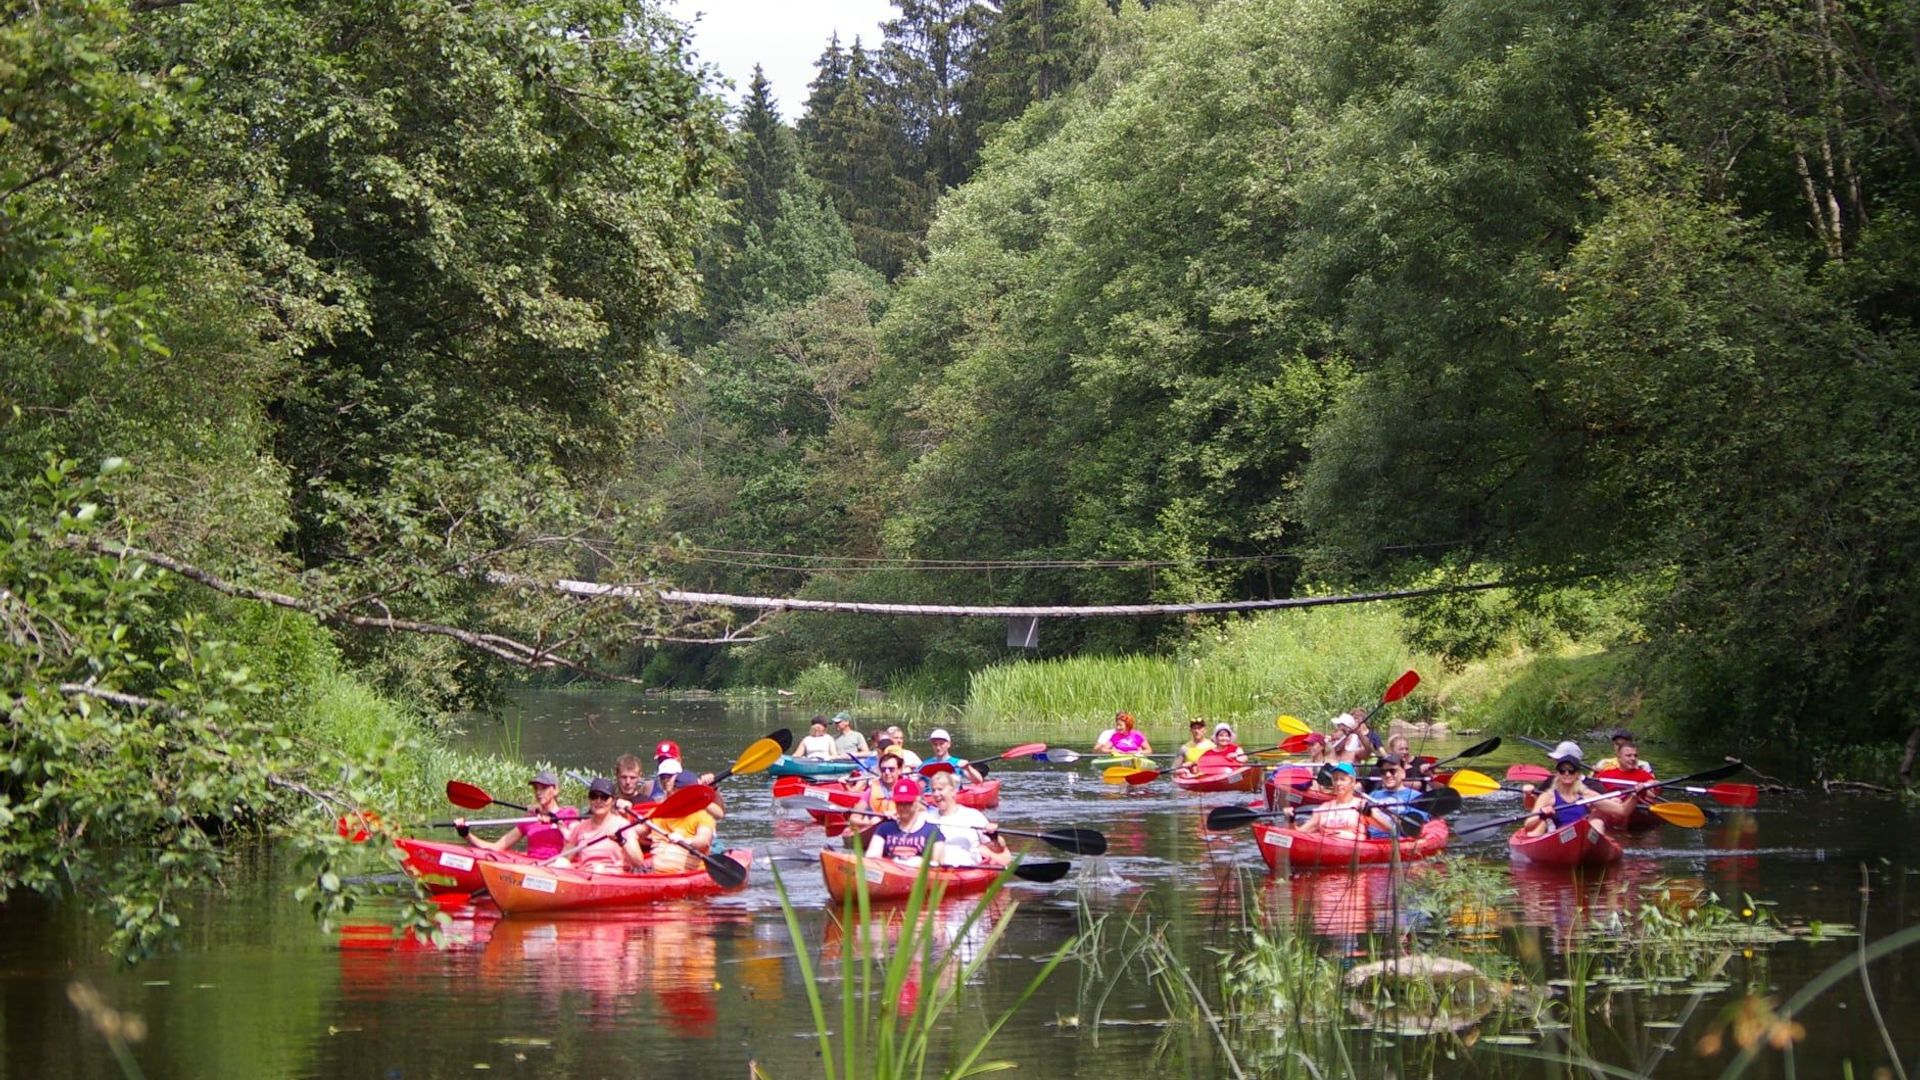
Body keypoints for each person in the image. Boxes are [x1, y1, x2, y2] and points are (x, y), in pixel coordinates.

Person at [454, 768, 574, 859]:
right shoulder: (529, 819)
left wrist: (557, 822)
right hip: (532, 866)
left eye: (543, 788)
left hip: (556, 869)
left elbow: (577, 841)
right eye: (536, 788)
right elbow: (496, 847)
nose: (538, 792)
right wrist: (466, 835)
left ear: (556, 790)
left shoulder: (569, 814)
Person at [555, 777, 646, 871]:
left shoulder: (622, 825)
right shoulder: (580, 827)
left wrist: (621, 840)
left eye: (604, 797)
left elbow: (638, 862)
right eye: (594, 796)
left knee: (598, 869)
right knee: (560, 863)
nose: (598, 801)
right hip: (585, 875)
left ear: (613, 801)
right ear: (589, 800)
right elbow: (565, 857)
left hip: (611, 875)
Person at [924, 772, 1009, 868]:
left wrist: (993, 835)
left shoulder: (972, 816)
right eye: (933, 790)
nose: (936, 794)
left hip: (966, 867)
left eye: (940, 789)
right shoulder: (927, 817)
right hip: (935, 867)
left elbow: (997, 847)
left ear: (953, 791)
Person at [637, 781, 717, 875]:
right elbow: (634, 832)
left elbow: (703, 841)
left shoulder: (702, 816)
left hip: (690, 872)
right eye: (680, 793)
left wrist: (685, 840)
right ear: (673, 792)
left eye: (687, 794)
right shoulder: (657, 813)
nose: (684, 799)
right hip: (657, 873)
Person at [1522, 754, 1607, 837]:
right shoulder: (1548, 796)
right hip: (1559, 838)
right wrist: (1541, 814)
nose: (1566, 773)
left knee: (1597, 821)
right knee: (1540, 824)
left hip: (1582, 836)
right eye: (1562, 770)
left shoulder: (1588, 795)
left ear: (1577, 774)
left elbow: (1610, 809)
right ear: (1557, 773)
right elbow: (1528, 824)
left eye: (1571, 770)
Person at [866, 776, 945, 866]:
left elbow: (938, 865)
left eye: (908, 802)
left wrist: (921, 863)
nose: (903, 807)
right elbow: (871, 858)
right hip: (891, 874)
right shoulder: (884, 829)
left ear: (917, 801)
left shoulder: (932, 831)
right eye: (899, 802)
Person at [1292, 763, 1367, 841]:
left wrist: (1349, 836)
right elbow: (1299, 834)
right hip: (1326, 850)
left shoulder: (1362, 804)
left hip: (1353, 850)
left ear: (1353, 782)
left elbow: (1381, 825)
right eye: (1335, 779)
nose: (1338, 783)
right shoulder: (1324, 807)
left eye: (1342, 779)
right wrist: (1291, 820)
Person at [1363, 755, 1428, 838]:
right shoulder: (1373, 795)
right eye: (1383, 772)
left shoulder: (1417, 797)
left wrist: (1377, 814)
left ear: (1403, 774)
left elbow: (1414, 829)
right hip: (1370, 842)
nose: (1387, 775)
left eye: (1392, 771)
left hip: (1398, 843)